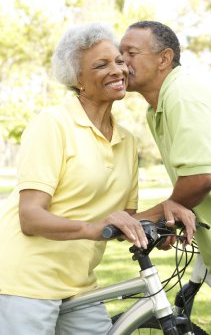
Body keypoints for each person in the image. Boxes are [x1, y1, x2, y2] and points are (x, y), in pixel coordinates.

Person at [0, 22, 195, 335]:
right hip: (24, 281)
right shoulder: (53, 124)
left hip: (78, 282)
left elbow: (123, 221)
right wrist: (90, 229)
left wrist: (167, 211)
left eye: (119, 60)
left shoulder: (127, 140)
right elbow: (30, 217)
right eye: (101, 65)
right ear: (78, 79)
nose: (117, 70)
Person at [120, 20, 211, 335]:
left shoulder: (181, 93)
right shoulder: (159, 108)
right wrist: (172, 217)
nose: (121, 61)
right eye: (118, 53)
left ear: (164, 58)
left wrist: (144, 219)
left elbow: (200, 177)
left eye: (131, 52)